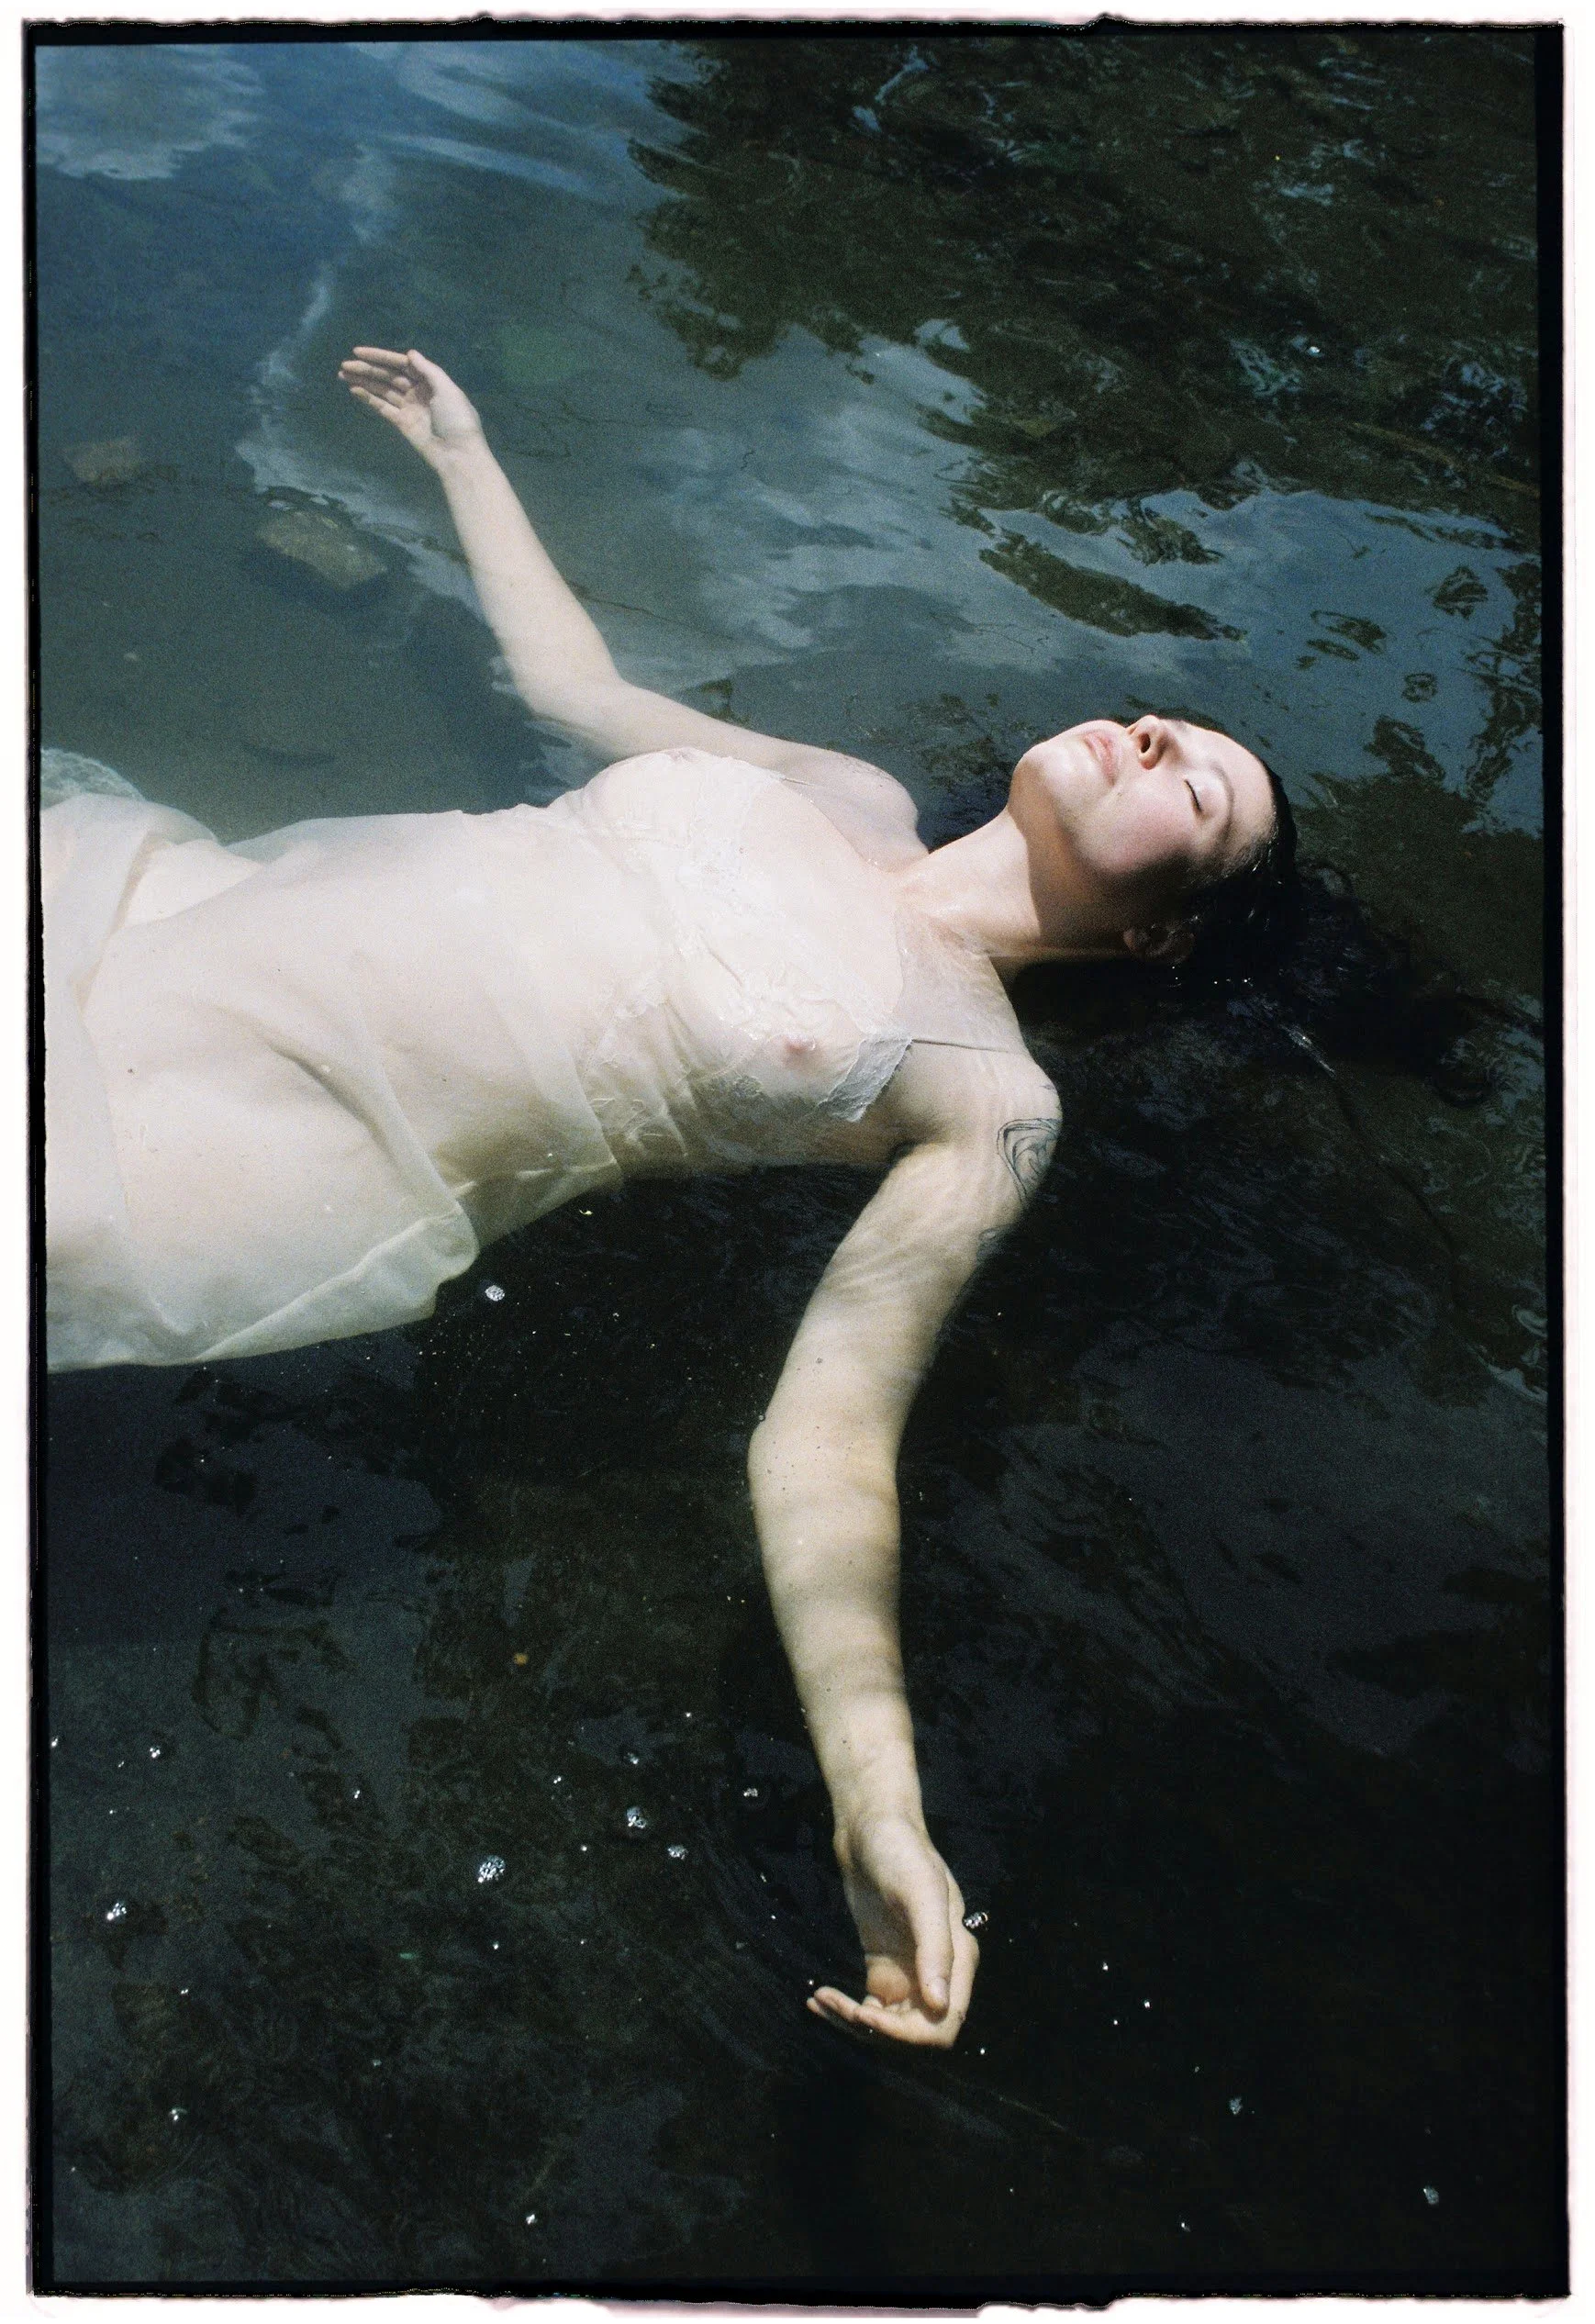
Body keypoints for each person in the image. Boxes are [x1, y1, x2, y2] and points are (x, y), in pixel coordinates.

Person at [43, 347, 1287, 2049]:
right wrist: (464, 449)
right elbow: (572, 684)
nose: (1150, 734)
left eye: (1190, 785)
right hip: (175, 914)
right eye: (1167, 722)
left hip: (269, 1137)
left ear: (1154, 936)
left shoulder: (988, 1095)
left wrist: (877, 1799)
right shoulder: (840, 787)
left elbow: (830, 1438)